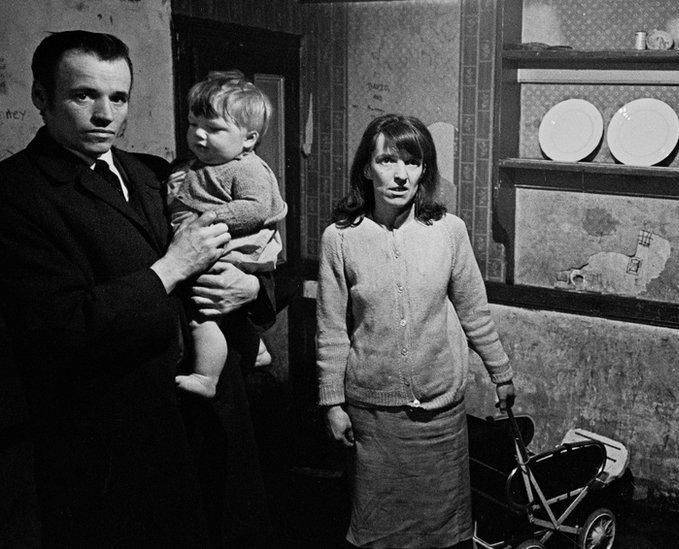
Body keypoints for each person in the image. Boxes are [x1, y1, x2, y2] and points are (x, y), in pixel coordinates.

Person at [0, 30, 275, 546]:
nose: (105, 115)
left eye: (118, 98)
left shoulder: (158, 173)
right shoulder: (16, 194)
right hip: (118, 448)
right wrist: (169, 269)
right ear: (41, 98)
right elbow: (60, 329)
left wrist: (251, 290)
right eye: (84, 95)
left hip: (211, 423)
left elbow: (254, 260)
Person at [316, 113, 516, 548]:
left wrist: (501, 374)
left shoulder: (449, 231)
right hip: (375, 417)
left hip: (441, 417)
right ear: (366, 167)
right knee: (377, 532)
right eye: (387, 160)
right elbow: (331, 330)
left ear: (425, 170)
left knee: (444, 534)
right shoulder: (340, 239)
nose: (401, 174)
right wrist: (332, 402)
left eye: (413, 161)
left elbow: (474, 312)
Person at [169, 69, 287, 398]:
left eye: (214, 129)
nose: (199, 136)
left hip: (234, 253)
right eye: (194, 125)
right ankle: (257, 350)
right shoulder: (198, 165)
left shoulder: (246, 167)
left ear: (248, 139)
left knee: (202, 315)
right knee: (227, 311)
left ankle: (206, 377)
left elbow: (257, 208)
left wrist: (211, 217)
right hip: (219, 252)